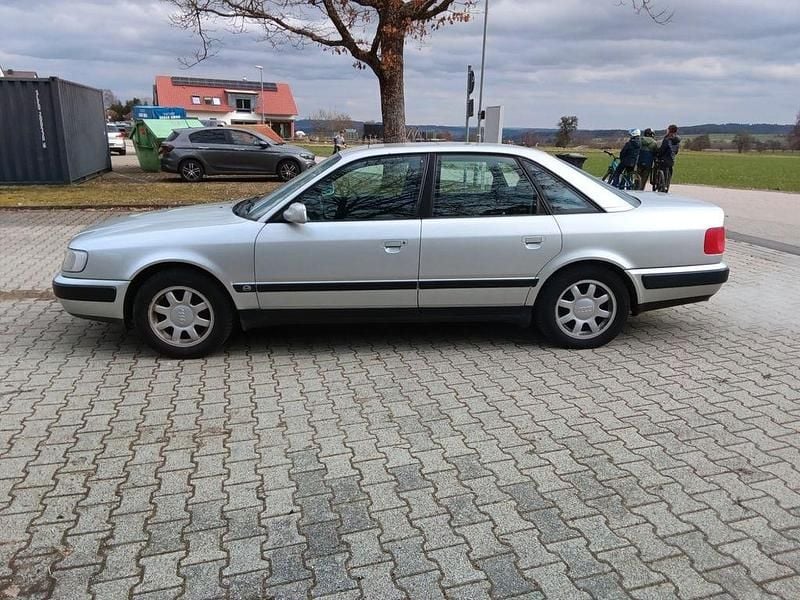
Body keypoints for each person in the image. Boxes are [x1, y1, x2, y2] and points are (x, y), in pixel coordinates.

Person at [655, 124, 680, 192]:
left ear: (669, 130)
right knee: (669, 172)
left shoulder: (667, 139)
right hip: (671, 160)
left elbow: (662, 150)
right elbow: (676, 151)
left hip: (664, 159)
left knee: (660, 168)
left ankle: (660, 184)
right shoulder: (677, 141)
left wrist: (658, 155)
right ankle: (667, 185)